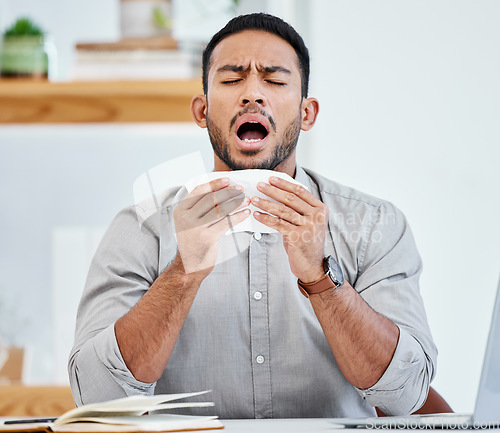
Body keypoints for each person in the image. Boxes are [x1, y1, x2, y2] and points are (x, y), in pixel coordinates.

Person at [69, 13, 437, 418]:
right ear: (202, 111)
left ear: (307, 113)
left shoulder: (374, 225)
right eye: (231, 79)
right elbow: (97, 400)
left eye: (275, 80)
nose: (252, 95)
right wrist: (183, 273)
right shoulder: (140, 228)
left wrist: (321, 280)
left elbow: (405, 396)